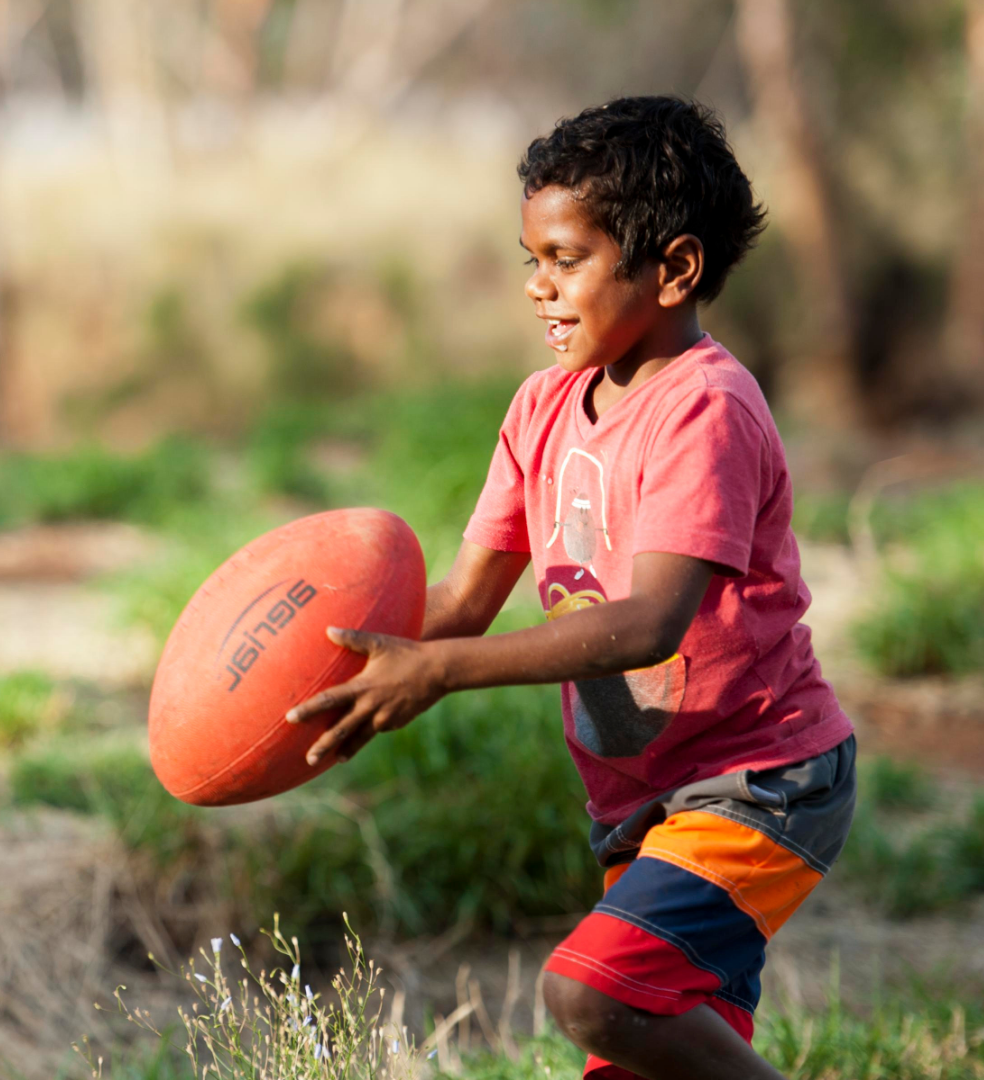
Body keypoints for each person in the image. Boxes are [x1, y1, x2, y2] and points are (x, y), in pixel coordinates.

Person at [284, 96, 857, 1080]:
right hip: (639, 801)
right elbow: (463, 605)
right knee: (642, 1046)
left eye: (566, 260)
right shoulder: (541, 407)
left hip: (756, 784)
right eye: (530, 262)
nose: (538, 289)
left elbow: (647, 623)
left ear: (674, 269)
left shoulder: (706, 411)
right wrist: (329, 673)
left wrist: (443, 672)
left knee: (591, 993)